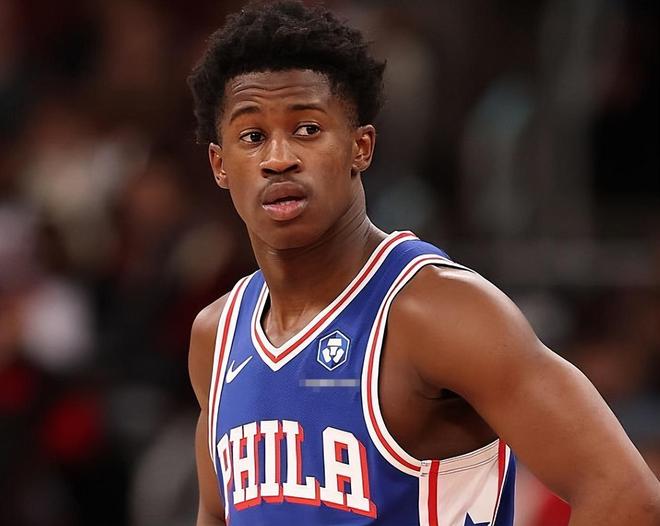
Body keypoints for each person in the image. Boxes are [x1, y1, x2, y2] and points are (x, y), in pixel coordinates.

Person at [186, 2, 660, 525]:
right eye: (253, 137)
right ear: (220, 165)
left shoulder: (438, 312)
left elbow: (626, 495)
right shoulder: (216, 336)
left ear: (361, 146)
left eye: (308, 129)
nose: (279, 158)